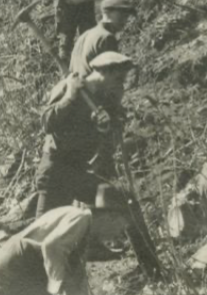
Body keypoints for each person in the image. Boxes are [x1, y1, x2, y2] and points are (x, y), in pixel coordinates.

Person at [34, 52, 133, 215]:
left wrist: (102, 128)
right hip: (56, 172)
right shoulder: (70, 86)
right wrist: (69, 97)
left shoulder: (102, 98)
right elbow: (47, 123)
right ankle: (6, 233)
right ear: (105, 71)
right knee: (44, 232)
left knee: (123, 201)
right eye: (118, 77)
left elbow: (105, 135)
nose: (121, 83)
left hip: (78, 172)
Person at [0, 185, 131, 295]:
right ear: (111, 216)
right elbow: (51, 247)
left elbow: (75, 276)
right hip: (15, 266)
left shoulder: (84, 233)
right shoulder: (81, 218)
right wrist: (56, 288)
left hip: (11, 268)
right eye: (121, 228)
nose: (119, 235)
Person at [70, 0, 136, 78]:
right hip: (96, 89)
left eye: (126, 16)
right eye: (121, 14)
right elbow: (110, 77)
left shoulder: (85, 35)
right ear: (107, 13)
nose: (125, 20)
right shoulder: (107, 38)